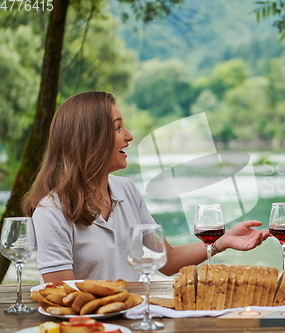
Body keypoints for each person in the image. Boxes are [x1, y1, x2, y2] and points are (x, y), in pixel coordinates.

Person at [23, 91, 269, 283]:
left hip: (133, 316)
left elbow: (168, 261)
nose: (129, 136)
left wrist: (221, 241)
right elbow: (62, 297)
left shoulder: (126, 190)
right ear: (90, 138)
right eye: (118, 127)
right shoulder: (51, 212)